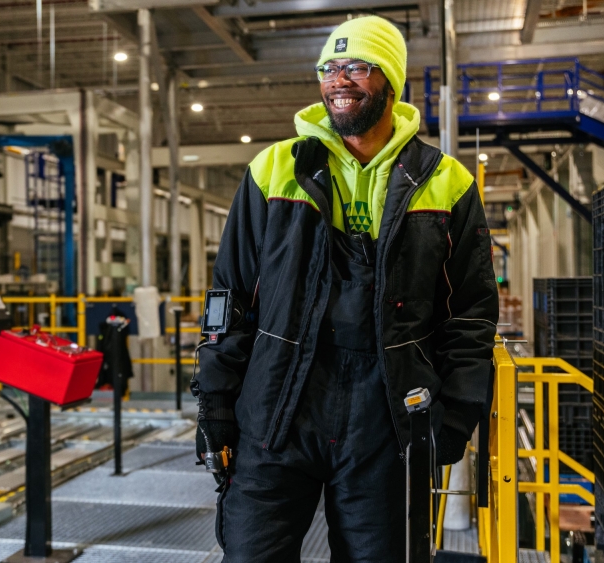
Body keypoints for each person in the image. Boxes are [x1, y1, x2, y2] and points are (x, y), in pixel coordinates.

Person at [190, 15, 499, 562]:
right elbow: (229, 298)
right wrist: (215, 406)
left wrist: (454, 418)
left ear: (390, 79)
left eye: (357, 66)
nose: (339, 80)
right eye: (328, 68)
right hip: (277, 409)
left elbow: (470, 314)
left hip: (386, 419)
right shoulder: (275, 170)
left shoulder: (446, 182)